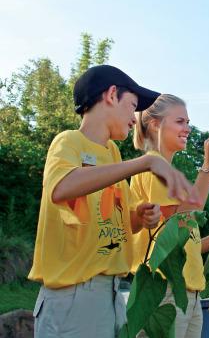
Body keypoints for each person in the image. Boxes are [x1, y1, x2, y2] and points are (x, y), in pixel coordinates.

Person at [28, 65, 200, 338]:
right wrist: (144, 162)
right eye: (132, 106)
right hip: (74, 297)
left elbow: (121, 223)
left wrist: (140, 217)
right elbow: (61, 188)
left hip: (111, 294)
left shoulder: (113, 155)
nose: (135, 119)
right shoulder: (69, 142)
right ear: (110, 95)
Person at [131, 93, 209, 338]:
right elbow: (190, 210)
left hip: (187, 293)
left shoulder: (168, 170)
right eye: (180, 121)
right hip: (165, 291)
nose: (188, 129)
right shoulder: (153, 165)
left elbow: (177, 242)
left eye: (188, 122)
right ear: (156, 124)